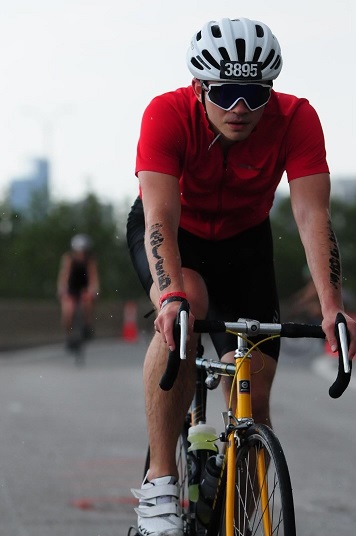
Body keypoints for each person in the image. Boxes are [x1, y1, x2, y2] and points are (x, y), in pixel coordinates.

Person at [126, 17, 356, 536]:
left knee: (251, 381)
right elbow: (159, 220)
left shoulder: (297, 119)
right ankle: (160, 488)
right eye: (226, 92)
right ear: (199, 86)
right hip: (175, 234)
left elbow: (312, 217)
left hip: (244, 244)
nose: (240, 109)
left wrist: (331, 306)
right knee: (191, 304)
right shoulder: (166, 114)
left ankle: (246, 508)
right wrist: (169, 297)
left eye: (254, 95)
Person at [57, 233, 100, 346]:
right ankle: (68, 334)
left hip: (84, 288)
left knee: (87, 301)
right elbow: (64, 275)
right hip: (71, 289)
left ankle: (87, 324)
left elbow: (93, 277)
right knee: (68, 311)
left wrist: (93, 290)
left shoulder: (90, 261)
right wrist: (62, 290)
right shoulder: (68, 259)